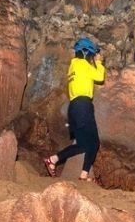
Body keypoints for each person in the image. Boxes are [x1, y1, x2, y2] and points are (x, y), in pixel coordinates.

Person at [43, 37, 105, 181]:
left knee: (82, 144)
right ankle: (84, 175)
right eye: (90, 54)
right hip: (83, 105)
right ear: (85, 53)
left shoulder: (73, 66)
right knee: (94, 142)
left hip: (74, 108)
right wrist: (99, 62)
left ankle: (53, 160)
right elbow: (100, 76)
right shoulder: (83, 64)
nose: (91, 57)